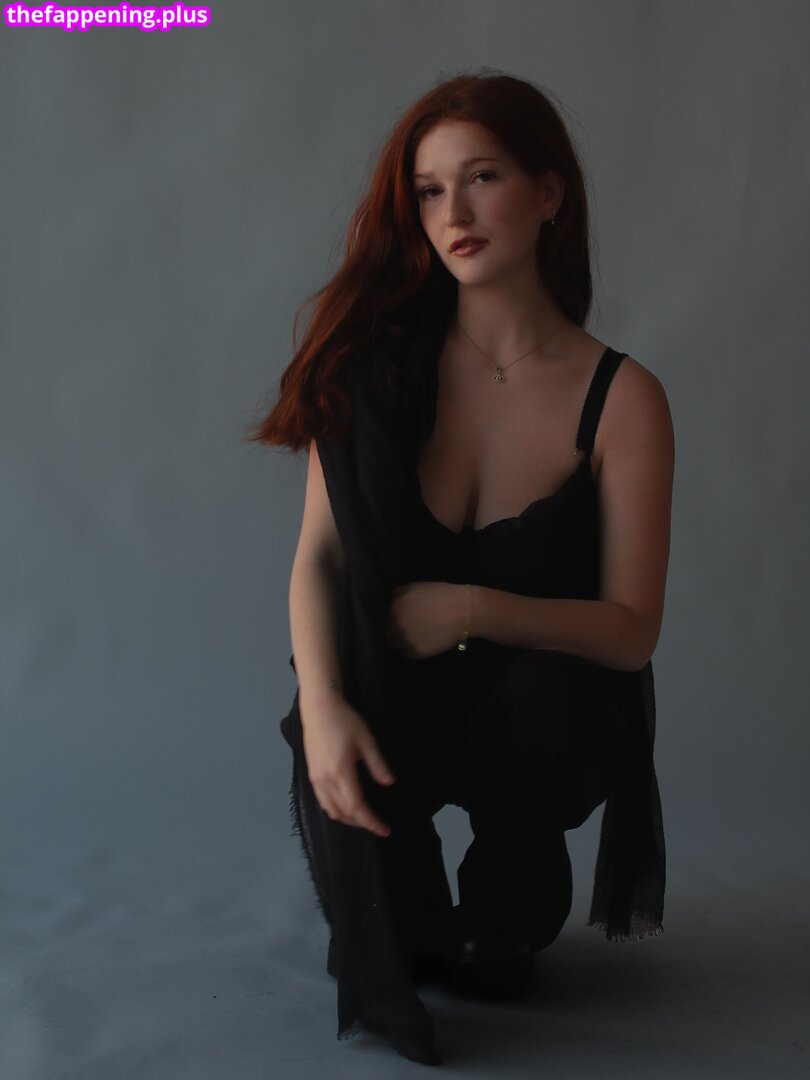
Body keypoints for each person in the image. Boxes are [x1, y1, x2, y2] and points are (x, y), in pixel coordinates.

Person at [249, 69, 674, 1067]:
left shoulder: (622, 397)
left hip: (546, 720)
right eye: (431, 191)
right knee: (386, 923)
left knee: (545, 699)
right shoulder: (372, 366)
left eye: (483, 177)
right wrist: (323, 709)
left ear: (550, 191)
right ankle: (402, 900)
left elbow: (631, 630)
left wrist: (475, 607)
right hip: (404, 704)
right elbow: (318, 559)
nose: (455, 214)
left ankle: (512, 903)